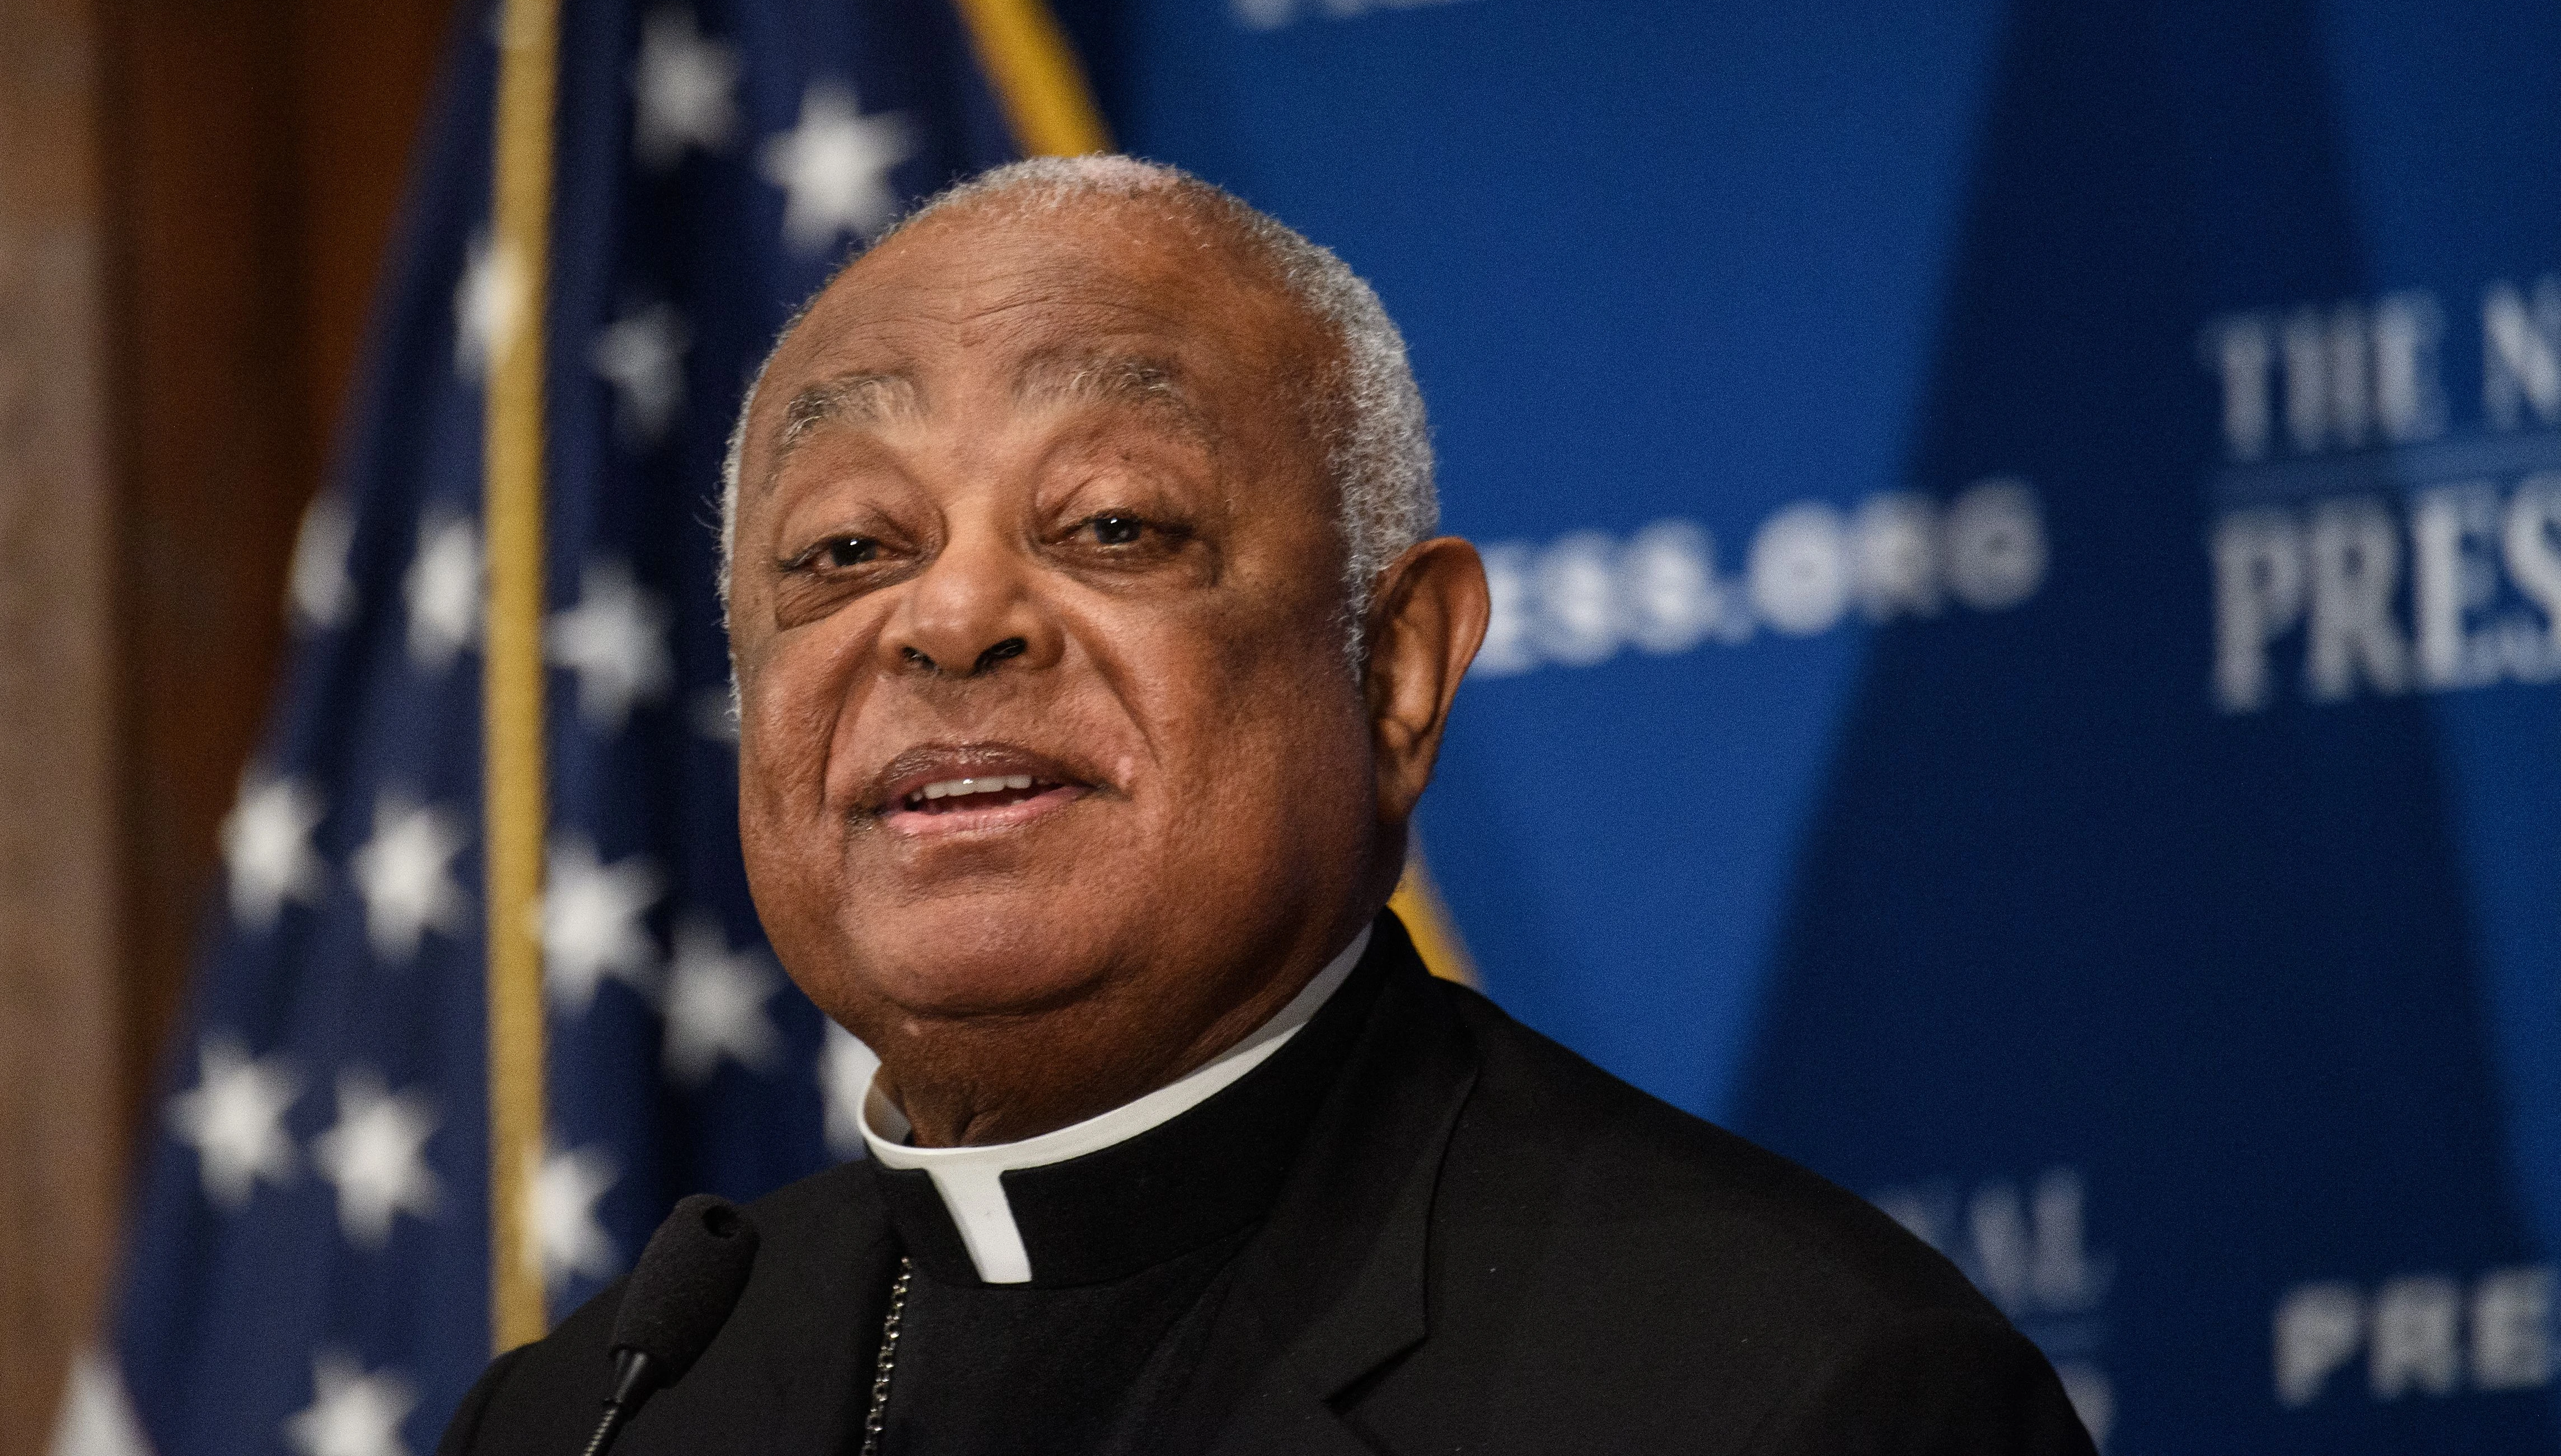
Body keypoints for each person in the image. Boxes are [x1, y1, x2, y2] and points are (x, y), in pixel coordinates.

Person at [441, 157, 2095, 1455]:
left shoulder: (1784, 1394)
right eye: (846, 551)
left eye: (1108, 524)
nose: (948, 619)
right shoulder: (601, 1414)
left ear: (1396, 668)